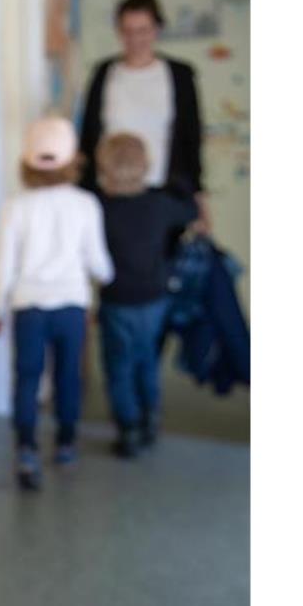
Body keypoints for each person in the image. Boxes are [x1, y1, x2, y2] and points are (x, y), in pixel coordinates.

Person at [0, 117, 114, 490]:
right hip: (72, 305)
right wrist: (109, 277)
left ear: (26, 162)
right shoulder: (86, 204)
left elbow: (3, 264)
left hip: (28, 305)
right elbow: (98, 262)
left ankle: (26, 449)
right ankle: (66, 443)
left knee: (27, 377)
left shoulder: (16, 206)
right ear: (74, 160)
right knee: (67, 377)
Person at [95, 133, 200, 458]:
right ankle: (150, 418)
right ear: (146, 165)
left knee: (118, 365)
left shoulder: (99, 206)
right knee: (147, 361)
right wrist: (180, 184)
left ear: (104, 167)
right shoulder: (159, 204)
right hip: (154, 297)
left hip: (116, 298)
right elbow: (190, 211)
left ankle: (127, 428)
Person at [77, 0, 211, 224]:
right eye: (127, 31)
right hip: (109, 195)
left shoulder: (179, 75)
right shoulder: (104, 73)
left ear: (157, 30)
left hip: (166, 193)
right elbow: (88, 136)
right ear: (118, 31)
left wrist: (200, 197)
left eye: (143, 31)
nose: (135, 40)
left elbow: (191, 137)